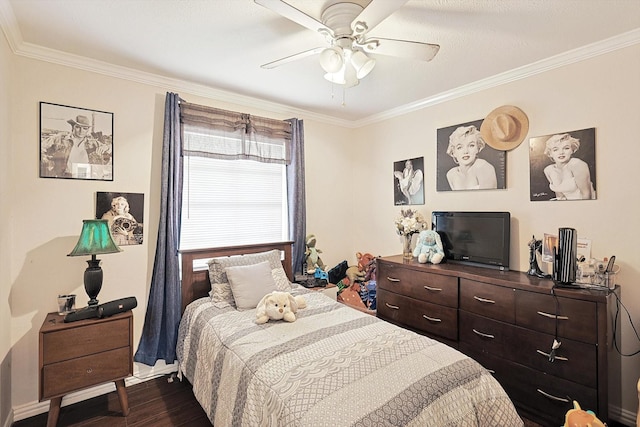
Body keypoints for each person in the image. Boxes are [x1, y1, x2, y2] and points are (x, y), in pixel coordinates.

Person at [41, 115, 112, 178]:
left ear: (87, 130)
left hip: (84, 177)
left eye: (85, 128)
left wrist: (106, 147)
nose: (81, 131)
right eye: (78, 127)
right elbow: (41, 148)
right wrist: (48, 163)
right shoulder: (60, 139)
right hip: (64, 176)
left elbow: (112, 150)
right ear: (73, 127)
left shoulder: (92, 143)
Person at [543, 133, 594, 200]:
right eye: (555, 149)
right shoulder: (548, 170)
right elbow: (560, 197)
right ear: (550, 154)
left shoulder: (577, 164)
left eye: (566, 148)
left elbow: (586, 195)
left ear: (572, 150)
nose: (561, 152)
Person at [445, 125, 497, 190]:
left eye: (471, 145)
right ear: (453, 152)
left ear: (478, 148)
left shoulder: (483, 167)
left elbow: (490, 198)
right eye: (459, 147)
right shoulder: (451, 174)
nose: (466, 151)